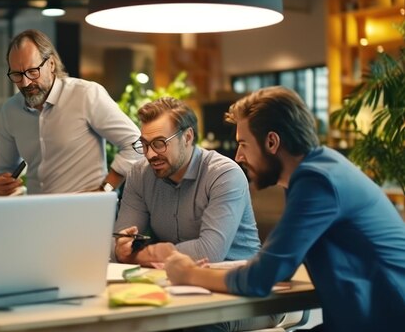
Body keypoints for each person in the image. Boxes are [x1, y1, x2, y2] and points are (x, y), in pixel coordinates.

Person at [165, 86, 405, 332]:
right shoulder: (316, 171)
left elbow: (262, 278)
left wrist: (189, 274)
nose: (238, 156)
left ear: (272, 141)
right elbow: (281, 266)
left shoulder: (318, 180)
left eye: (244, 144)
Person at [112, 97, 279, 331]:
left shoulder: (223, 174)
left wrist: (138, 254)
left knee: (196, 323)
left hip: (244, 294)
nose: (150, 154)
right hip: (177, 288)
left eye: (160, 143)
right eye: (145, 144)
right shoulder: (140, 174)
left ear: (187, 137)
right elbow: (120, 245)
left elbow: (209, 252)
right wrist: (128, 249)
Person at [0, 29, 142, 195]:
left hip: (85, 213)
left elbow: (136, 144)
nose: (25, 82)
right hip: (37, 215)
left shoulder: (86, 94)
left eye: (33, 71)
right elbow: (2, 168)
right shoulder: (10, 110)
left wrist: (105, 189)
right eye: (17, 74)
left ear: (51, 64)